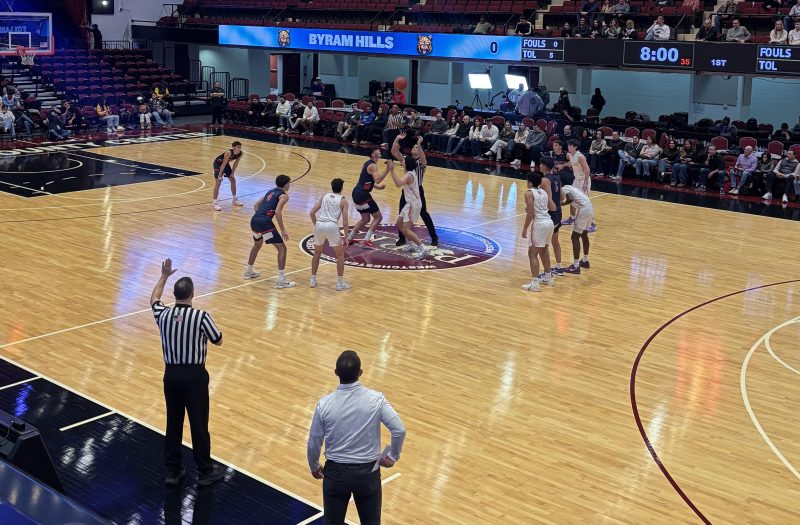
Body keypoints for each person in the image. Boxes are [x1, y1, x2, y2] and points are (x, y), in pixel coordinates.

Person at [150, 258, 225, 487]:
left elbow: (153, 299)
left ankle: (173, 471)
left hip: (171, 376)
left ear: (175, 295)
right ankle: (204, 471)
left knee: (173, 423)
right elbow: (218, 340)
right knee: (198, 424)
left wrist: (164, 275)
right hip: (194, 376)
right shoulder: (201, 317)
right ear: (192, 294)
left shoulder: (162, 315)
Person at [307, 350, 405, 525]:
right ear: (360, 373)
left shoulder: (324, 404)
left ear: (336, 373)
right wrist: (392, 456)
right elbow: (399, 430)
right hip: (368, 474)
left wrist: (314, 465)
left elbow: (314, 441)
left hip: (336, 474)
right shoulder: (377, 400)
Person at [246, 175, 295, 288]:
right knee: (282, 248)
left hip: (254, 220)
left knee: (257, 245)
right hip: (264, 223)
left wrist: (259, 216)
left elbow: (256, 205)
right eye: (289, 183)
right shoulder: (284, 196)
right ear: (286, 184)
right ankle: (281, 280)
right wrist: (283, 230)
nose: (290, 185)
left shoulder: (270, 191)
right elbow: (278, 212)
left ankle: (248, 271)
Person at [392, 132, 438, 246]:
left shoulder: (421, 163)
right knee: (401, 214)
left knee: (424, 214)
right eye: (414, 147)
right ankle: (402, 238)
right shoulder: (407, 161)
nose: (414, 148)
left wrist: (419, 144)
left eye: (416, 148)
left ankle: (434, 237)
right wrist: (397, 139)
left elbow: (423, 157)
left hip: (417, 192)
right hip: (406, 192)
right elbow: (394, 151)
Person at [309, 178, 351, 290]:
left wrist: (316, 225)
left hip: (319, 224)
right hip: (331, 226)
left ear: (332, 187)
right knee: (340, 255)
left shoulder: (324, 196)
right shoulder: (343, 201)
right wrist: (346, 237)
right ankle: (339, 283)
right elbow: (345, 222)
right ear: (342, 188)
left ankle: (312, 280)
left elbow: (312, 212)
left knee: (317, 253)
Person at [388, 154, 431, 259]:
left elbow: (398, 184)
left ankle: (423, 248)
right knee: (399, 223)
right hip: (410, 203)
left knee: (406, 229)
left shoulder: (408, 175)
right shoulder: (409, 171)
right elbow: (397, 153)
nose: (401, 161)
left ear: (406, 164)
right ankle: (413, 244)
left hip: (413, 204)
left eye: (404, 161)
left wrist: (392, 170)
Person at [347, 148, 391, 246]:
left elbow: (365, 179)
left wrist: (376, 186)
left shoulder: (367, 163)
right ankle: (366, 240)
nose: (379, 151)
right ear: (372, 154)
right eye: (377, 150)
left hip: (356, 193)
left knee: (365, 219)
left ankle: (349, 238)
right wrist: (388, 169)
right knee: (378, 217)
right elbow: (378, 179)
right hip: (363, 195)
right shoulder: (373, 165)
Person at [521, 171, 556, 291]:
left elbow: (530, 213)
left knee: (532, 253)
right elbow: (553, 207)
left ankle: (535, 283)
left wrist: (525, 228)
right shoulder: (544, 192)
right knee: (544, 250)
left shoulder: (529, 193)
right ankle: (548, 277)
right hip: (549, 222)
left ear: (530, 183)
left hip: (539, 224)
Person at [561, 177, 594, 274]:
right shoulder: (574, 188)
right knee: (584, 235)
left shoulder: (565, 188)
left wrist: (563, 204)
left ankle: (575, 266)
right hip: (590, 208)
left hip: (584, 209)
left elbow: (570, 199)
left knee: (574, 237)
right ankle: (585, 260)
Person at [539, 157, 565, 277]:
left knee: (544, 246)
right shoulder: (557, 178)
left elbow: (549, 198)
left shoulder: (545, 180)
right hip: (559, 213)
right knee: (555, 241)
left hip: (551, 213)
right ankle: (559, 267)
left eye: (541, 164)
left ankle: (547, 273)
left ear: (545, 166)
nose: (539, 165)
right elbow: (562, 198)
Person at [563, 139, 592, 230]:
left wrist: (586, 183)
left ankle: (592, 224)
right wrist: (562, 165)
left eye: (570, 145)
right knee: (571, 197)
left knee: (585, 203)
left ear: (575, 147)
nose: (568, 146)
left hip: (584, 180)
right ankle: (572, 218)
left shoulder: (580, 156)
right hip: (577, 179)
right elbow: (571, 162)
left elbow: (587, 170)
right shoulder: (571, 155)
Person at [212, 140, 244, 211]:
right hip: (218, 164)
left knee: (233, 180)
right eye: (238, 147)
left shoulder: (241, 153)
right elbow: (222, 164)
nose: (239, 149)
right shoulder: (228, 153)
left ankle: (234, 200)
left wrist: (232, 173)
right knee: (218, 182)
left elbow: (236, 163)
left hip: (225, 164)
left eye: (240, 147)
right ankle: (214, 203)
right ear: (234, 148)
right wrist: (220, 175)